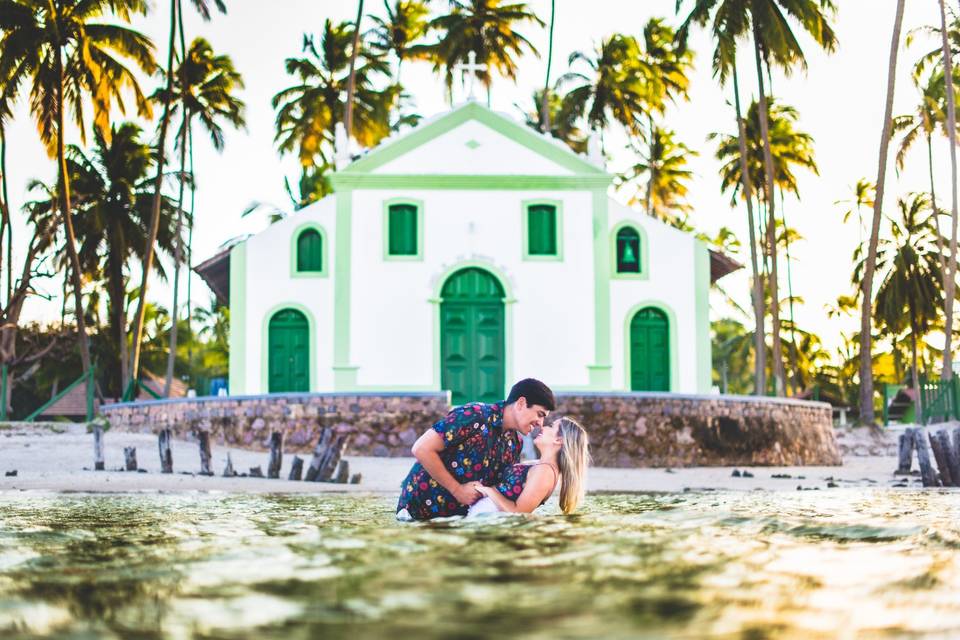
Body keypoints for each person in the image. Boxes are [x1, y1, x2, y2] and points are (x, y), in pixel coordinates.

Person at [396, 378, 556, 520]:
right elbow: (421, 448)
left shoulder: (515, 443)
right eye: (540, 414)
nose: (540, 423)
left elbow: (499, 489)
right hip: (417, 514)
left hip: (455, 523)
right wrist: (457, 489)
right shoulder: (474, 415)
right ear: (521, 403)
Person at [468, 417, 589, 516]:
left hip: (487, 520)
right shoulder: (541, 465)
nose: (544, 427)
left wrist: (489, 491)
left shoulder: (545, 472)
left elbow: (518, 512)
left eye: (551, 426)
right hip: (482, 518)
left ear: (559, 440)